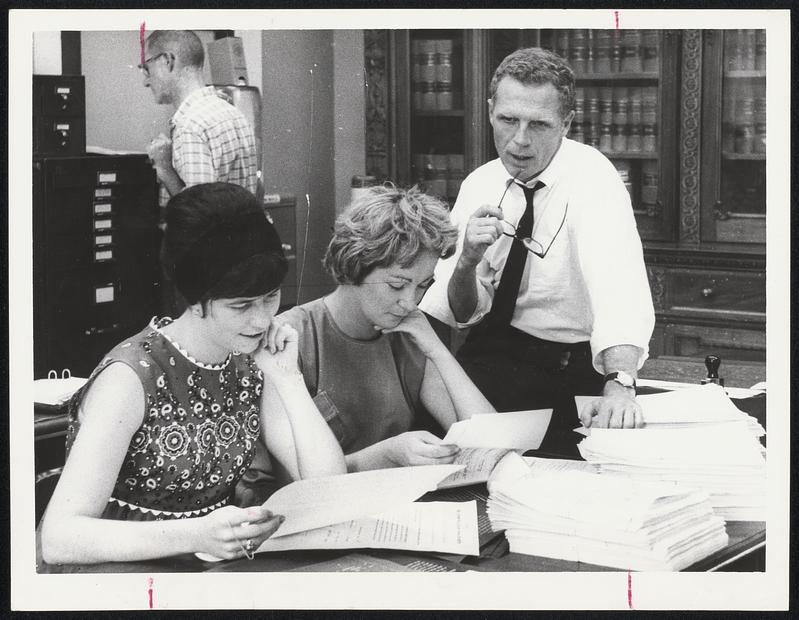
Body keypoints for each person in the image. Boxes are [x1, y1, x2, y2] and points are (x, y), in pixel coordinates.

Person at [40, 183, 346, 565]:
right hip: (115, 574)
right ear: (196, 301)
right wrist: (196, 533)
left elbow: (330, 492)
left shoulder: (251, 359)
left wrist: (289, 380)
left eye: (270, 296)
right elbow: (58, 537)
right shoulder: (131, 377)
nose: (263, 318)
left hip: (205, 567)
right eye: (241, 305)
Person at [418, 47, 655, 447]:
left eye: (539, 125)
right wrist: (465, 264)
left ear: (566, 123)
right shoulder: (479, 181)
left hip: (568, 364)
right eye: (508, 120)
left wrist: (619, 384)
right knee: (442, 453)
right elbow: (459, 313)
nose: (519, 141)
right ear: (491, 109)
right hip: (493, 354)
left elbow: (620, 290)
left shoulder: (594, 178)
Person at [278, 185, 496, 472]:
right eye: (396, 284)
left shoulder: (409, 333)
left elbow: (489, 442)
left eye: (422, 285)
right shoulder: (292, 336)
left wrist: (437, 350)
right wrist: (385, 455)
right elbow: (291, 481)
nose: (410, 302)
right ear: (354, 265)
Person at [140, 29, 258, 316]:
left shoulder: (191, 124)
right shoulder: (231, 112)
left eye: (146, 68)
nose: (145, 80)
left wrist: (164, 167)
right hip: (240, 258)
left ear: (168, 61)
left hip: (204, 270)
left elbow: (200, 215)